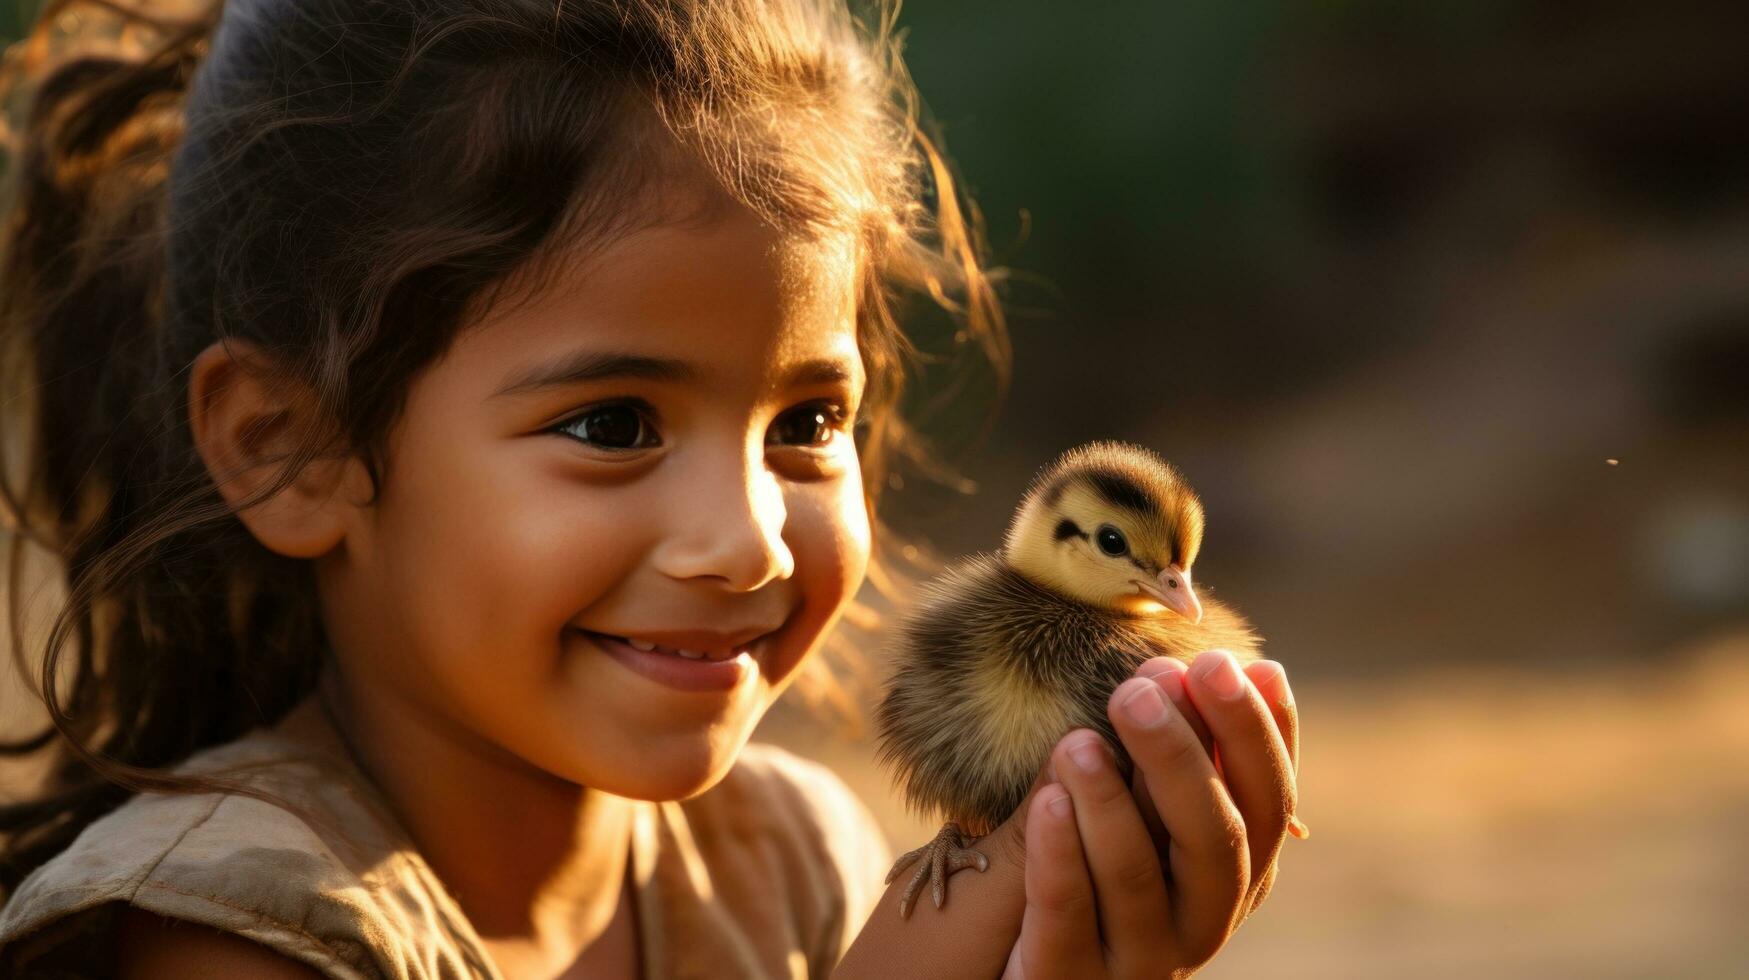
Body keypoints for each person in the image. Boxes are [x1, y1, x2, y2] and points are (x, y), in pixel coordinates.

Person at [0, 1, 1302, 976]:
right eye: (613, 425)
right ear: (288, 447)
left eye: (806, 420)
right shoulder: (233, 932)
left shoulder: (793, 865)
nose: (746, 543)